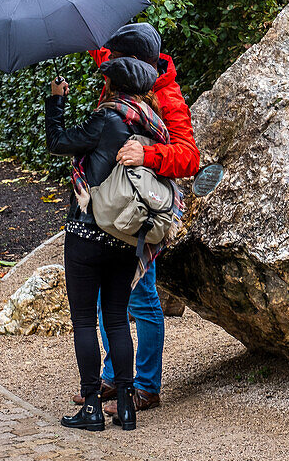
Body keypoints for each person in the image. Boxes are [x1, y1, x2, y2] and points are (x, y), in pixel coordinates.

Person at [67, 22, 200, 415]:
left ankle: (147, 386)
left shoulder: (167, 94)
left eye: (116, 59)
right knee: (116, 300)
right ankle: (114, 378)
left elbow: (190, 158)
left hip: (140, 213)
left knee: (141, 299)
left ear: (136, 62)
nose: (108, 64)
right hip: (110, 207)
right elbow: (96, 49)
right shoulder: (124, 61)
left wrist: (148, 156)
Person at [46, 56, 168, 432]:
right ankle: (127, 409)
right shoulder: (153, 126)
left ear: (111, 86)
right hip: (125, 235)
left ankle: (93, 409)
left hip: (87, 232)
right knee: (117, 319)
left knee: (84, 319)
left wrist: (56, 100)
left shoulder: (107, 118)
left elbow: (58, 142)